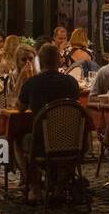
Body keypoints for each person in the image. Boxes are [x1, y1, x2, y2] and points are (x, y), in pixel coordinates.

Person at [18, 44, 82, 201]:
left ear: (40, 61)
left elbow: (19, 107)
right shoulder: (72, 83)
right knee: (73, 142)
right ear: (59, 61)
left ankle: (35, 187)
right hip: (71, 141)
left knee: (16, 140)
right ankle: (59, 186)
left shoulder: (32, 83)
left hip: (41, 144)